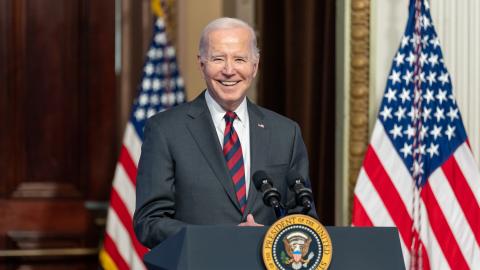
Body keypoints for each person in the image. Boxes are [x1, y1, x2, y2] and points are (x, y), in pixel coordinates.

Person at [133, 17, 316, 248]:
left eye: (240, 59)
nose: (229, 70)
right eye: (218, 59)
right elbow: (149, 222)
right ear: (202, 64)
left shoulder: (285, 133)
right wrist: (220, 239)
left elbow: (305, 218)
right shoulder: (165, 130)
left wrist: (270, 237)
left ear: (255, 66)